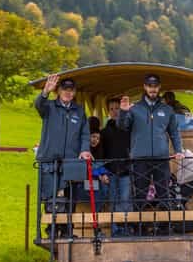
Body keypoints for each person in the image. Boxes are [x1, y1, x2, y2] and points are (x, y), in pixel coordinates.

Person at [118, 74, 184, 214]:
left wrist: (179, 150)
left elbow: (174, 132)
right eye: (149, 86)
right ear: (145, 87)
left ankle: (165, 229)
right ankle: (139, 230)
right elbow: (122, 127)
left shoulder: (167, 110)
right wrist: (123, 112)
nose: (152, 89)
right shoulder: (134, 108)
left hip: (161, 159)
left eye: (155, 86)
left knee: (164, 195)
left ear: (159, 88)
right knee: (140, 196)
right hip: (140, 159)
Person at [35, 75, 91, 234]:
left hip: (71, 162)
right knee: (51, 196)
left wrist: (85, 149)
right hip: (50, 160)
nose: (68, 93)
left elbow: (85, 134)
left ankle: (67, 229)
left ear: (74, 93)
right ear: (58, 91)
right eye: (64, 89)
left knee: (70, 197)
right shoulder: (49, 107)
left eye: (71, 90)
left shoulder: (79, 111)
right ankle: (52, 229)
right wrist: (45, 91)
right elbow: (38, 105)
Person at [101, 98, 133, 235]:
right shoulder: (104, 132)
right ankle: (115, 230)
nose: (115, 112)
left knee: (126, 199)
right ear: (108, 112)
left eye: (117, 108)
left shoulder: (128, 129)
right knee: (113, 199)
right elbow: (102, 153)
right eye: (112, 109)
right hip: (111, 170)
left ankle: (126, 228)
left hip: (126, 169)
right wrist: (103, 171)